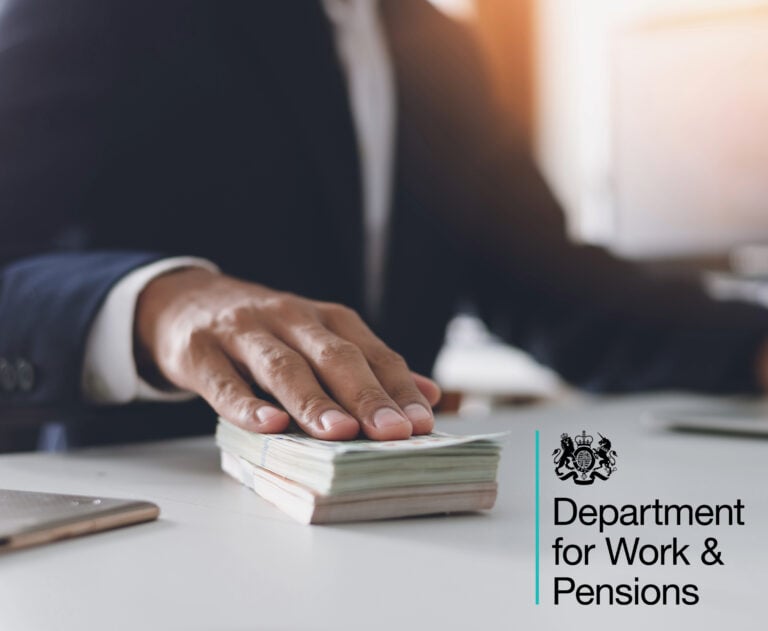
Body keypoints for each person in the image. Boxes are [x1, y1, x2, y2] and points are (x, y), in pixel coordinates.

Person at [1, 0, 767, 449]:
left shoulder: (443, 47)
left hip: (402, 529)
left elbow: (553, 292)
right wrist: (157, 303)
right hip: (142, 537)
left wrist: (754, 345)